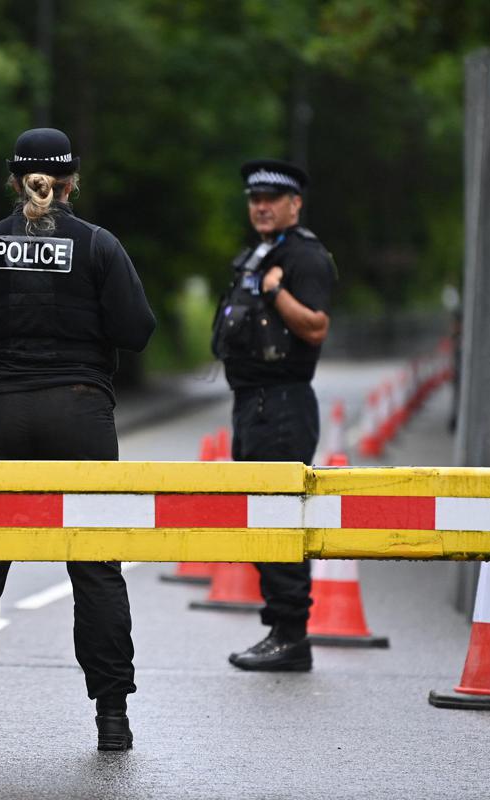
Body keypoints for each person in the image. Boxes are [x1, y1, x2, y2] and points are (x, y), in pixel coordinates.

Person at [0, 127, 156, 751]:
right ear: (71, 182)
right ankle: (112, 719)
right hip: (80, 414)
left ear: (14, 179)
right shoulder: (99, 246)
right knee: (96, 563)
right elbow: (136, 332)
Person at [211, 159, 337, 672]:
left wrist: (275, 292)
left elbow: (316, 327)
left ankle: (291, 635)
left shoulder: (305, 256)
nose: (261, 207)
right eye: (254, 199)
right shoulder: (258, 254)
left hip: (282, 404)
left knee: (279, 520)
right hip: (253, 404)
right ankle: (280, 630)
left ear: (295, 204)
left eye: (271, 199)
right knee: (262, 519)